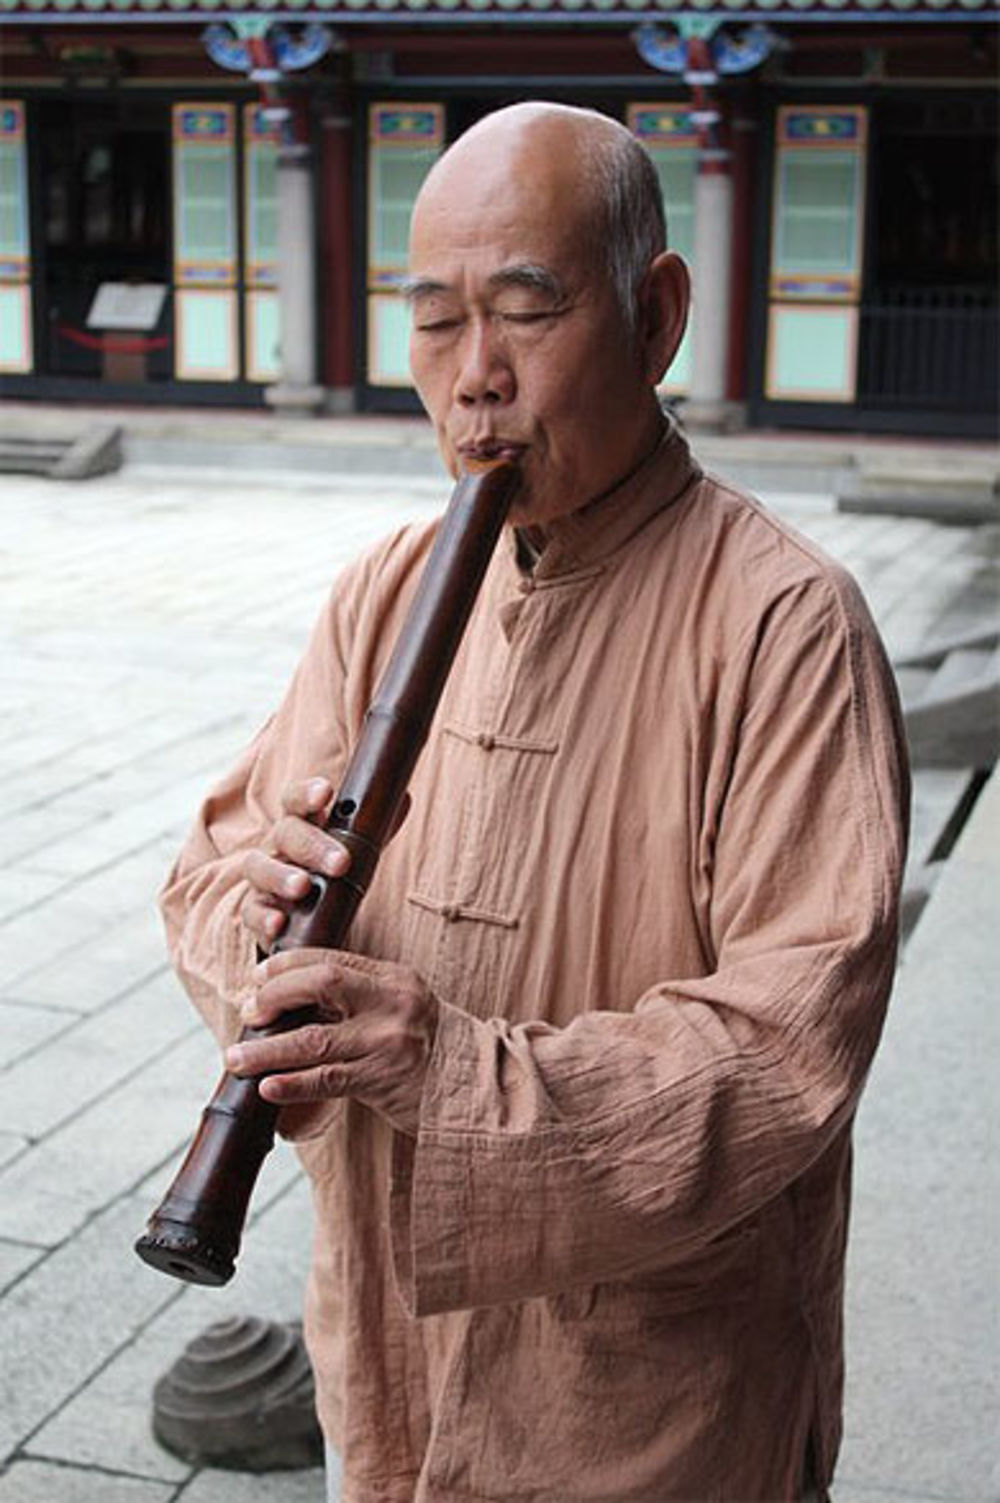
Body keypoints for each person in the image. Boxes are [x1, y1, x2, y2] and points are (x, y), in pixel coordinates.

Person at [160, 102, 909, 1502]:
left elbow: (788, 1047)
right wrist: (260, 926)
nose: (475, 381)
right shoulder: (380, 592)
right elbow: (210, 865)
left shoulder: (786, 624)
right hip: (387, 1347)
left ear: (657, 314)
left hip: (646, 1403)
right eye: (436, 324)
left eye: (528, 310)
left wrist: (455, 1075)